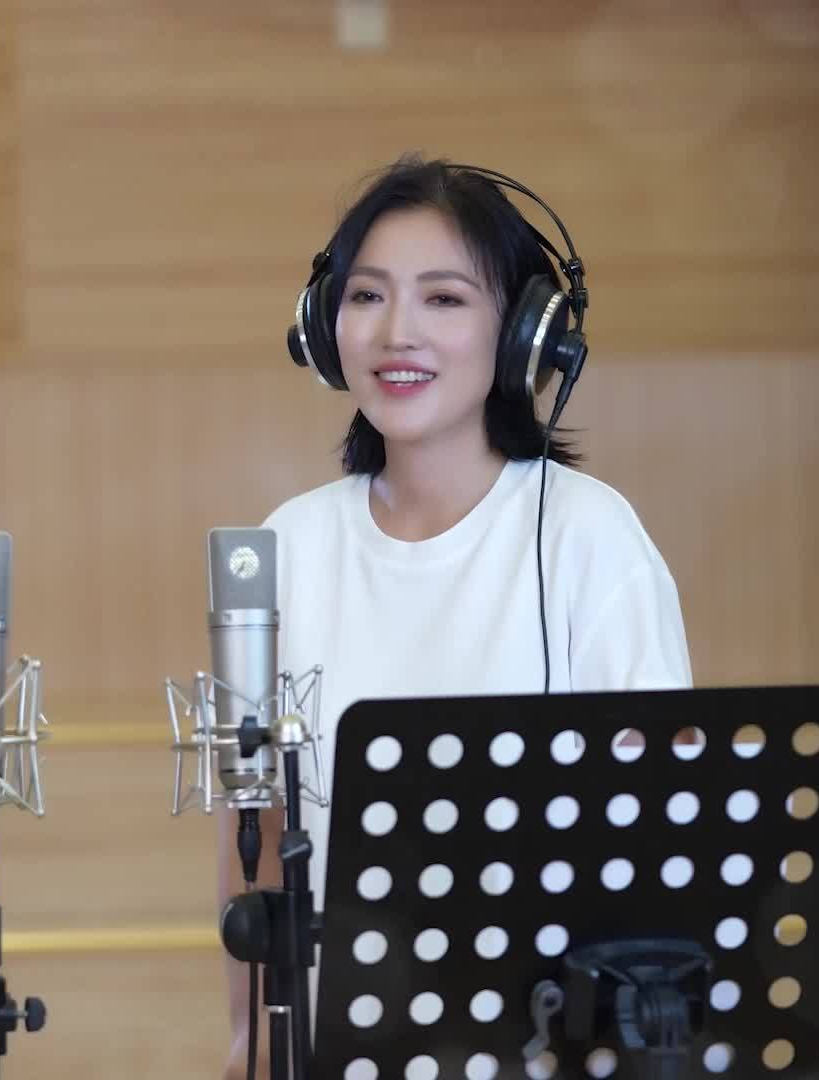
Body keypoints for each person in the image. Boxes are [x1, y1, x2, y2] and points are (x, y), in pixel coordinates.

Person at [219, 155, 693, 1078]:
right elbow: (256, 838)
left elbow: (660, 836)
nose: (397, 332)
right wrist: (248, 1041)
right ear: (324, 326)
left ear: (525, 335)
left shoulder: (591, 537)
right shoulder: (289, 545)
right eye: (367, 295)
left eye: (443, 299)